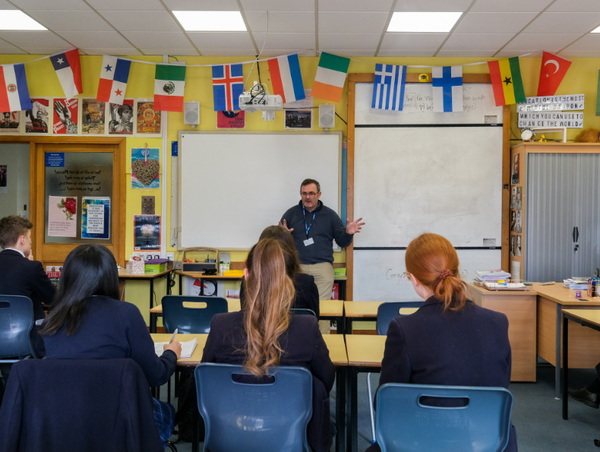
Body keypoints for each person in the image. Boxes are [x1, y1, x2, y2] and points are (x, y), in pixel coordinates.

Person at [367, 233, 517, 452]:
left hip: (423, 443)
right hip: (487, 442)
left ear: (414, 279)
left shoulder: (404, 329)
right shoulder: (497, 322)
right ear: (456, 272)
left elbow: (387, 404)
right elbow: (500, 386)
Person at [39, 244, 181, 447]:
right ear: (110, 277)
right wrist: (171, 354)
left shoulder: (51, 321)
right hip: (121, 422)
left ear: (67, 277)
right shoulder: (126, 314)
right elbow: (155, 376)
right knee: (165, 410)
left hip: (62, 424)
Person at [202, 238, 335, 452]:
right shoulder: (306, 327)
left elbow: (207, 383)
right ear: (287, 280)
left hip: (231, 433)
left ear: (246, 275)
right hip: (288, 435)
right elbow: (327, 379)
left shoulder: (220, 325)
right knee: (317, 387)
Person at [0, 216, 57, 405]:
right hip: (25, 342)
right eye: (30, 238)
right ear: (22, 239)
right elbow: (54, 299)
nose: (31, 241)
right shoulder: (31, 267)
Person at [280, 178, 365, 301]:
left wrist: (348, 233)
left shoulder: (330, 215)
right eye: (304, 193)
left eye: (311, 193)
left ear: (319, 194)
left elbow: (343, 242)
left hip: (322, 268)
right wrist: (284, 236)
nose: (307, 197)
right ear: (301, 194)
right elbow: (279, 244)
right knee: (295, 306)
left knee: (322, 309)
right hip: (297, 267)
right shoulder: (290, 214)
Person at [240, 225, 320, 316]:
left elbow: (245, 315)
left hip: (257, 330)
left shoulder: (250, 280)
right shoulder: (306, 282)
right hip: (299, 329)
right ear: (291, 252)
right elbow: (314, 317)